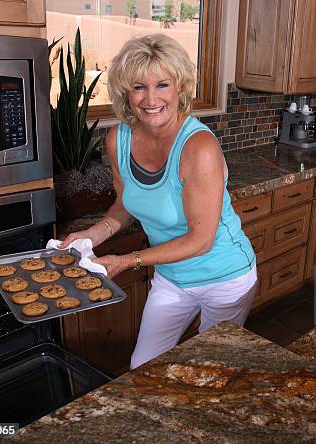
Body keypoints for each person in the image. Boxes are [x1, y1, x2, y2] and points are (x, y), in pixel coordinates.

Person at [61, 34, 257, 369]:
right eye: (139, 87)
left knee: (210, 369)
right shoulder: (118, 139)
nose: (150, 98)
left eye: (162, 84)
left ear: (180, 87)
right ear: (126, 92)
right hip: (171, 278)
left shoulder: (198, 148)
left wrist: (126, 261)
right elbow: (125, 205)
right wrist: (93, 234)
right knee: (143, 366)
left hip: (224, 278)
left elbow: (201, 240)